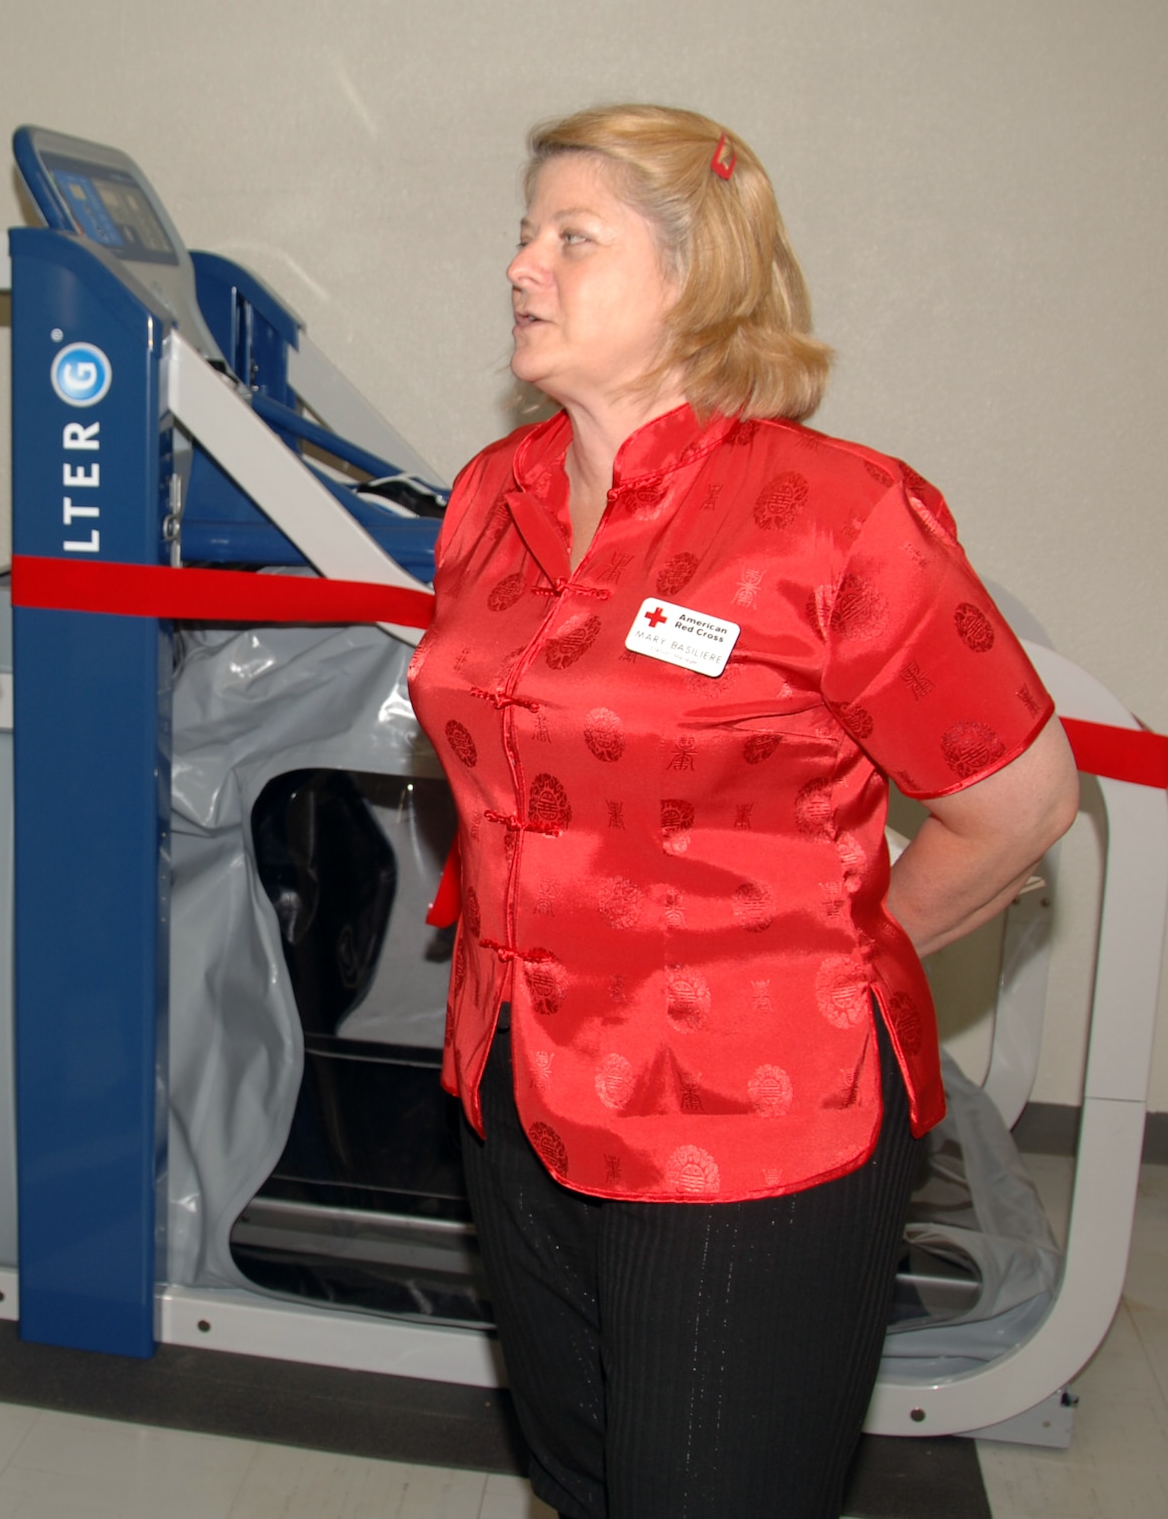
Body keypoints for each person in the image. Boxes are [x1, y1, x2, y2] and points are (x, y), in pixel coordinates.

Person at [408, 104, 1077, 1519]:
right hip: (513, 1085)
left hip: (755, 1121)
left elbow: (1019, 805)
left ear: (695, 271)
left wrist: (815, 968)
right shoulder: (491, 498)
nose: (522, 267)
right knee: (582, 1475)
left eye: (569, 239)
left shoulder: (836, 519)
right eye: (525, 235)